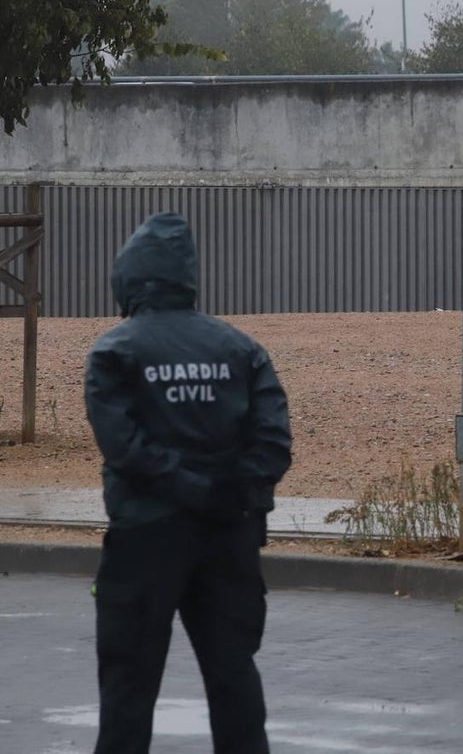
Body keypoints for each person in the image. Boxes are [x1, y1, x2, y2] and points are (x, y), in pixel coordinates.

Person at [84, 212, 293, 751]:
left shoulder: (115, 352)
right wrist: (239, 497)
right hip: (230, 538)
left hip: (144, 539)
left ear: (127, 278)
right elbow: (273, 441)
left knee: (128, 689)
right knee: (234, 679)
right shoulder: (242, 350)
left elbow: (124, 448)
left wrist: (187, 486)